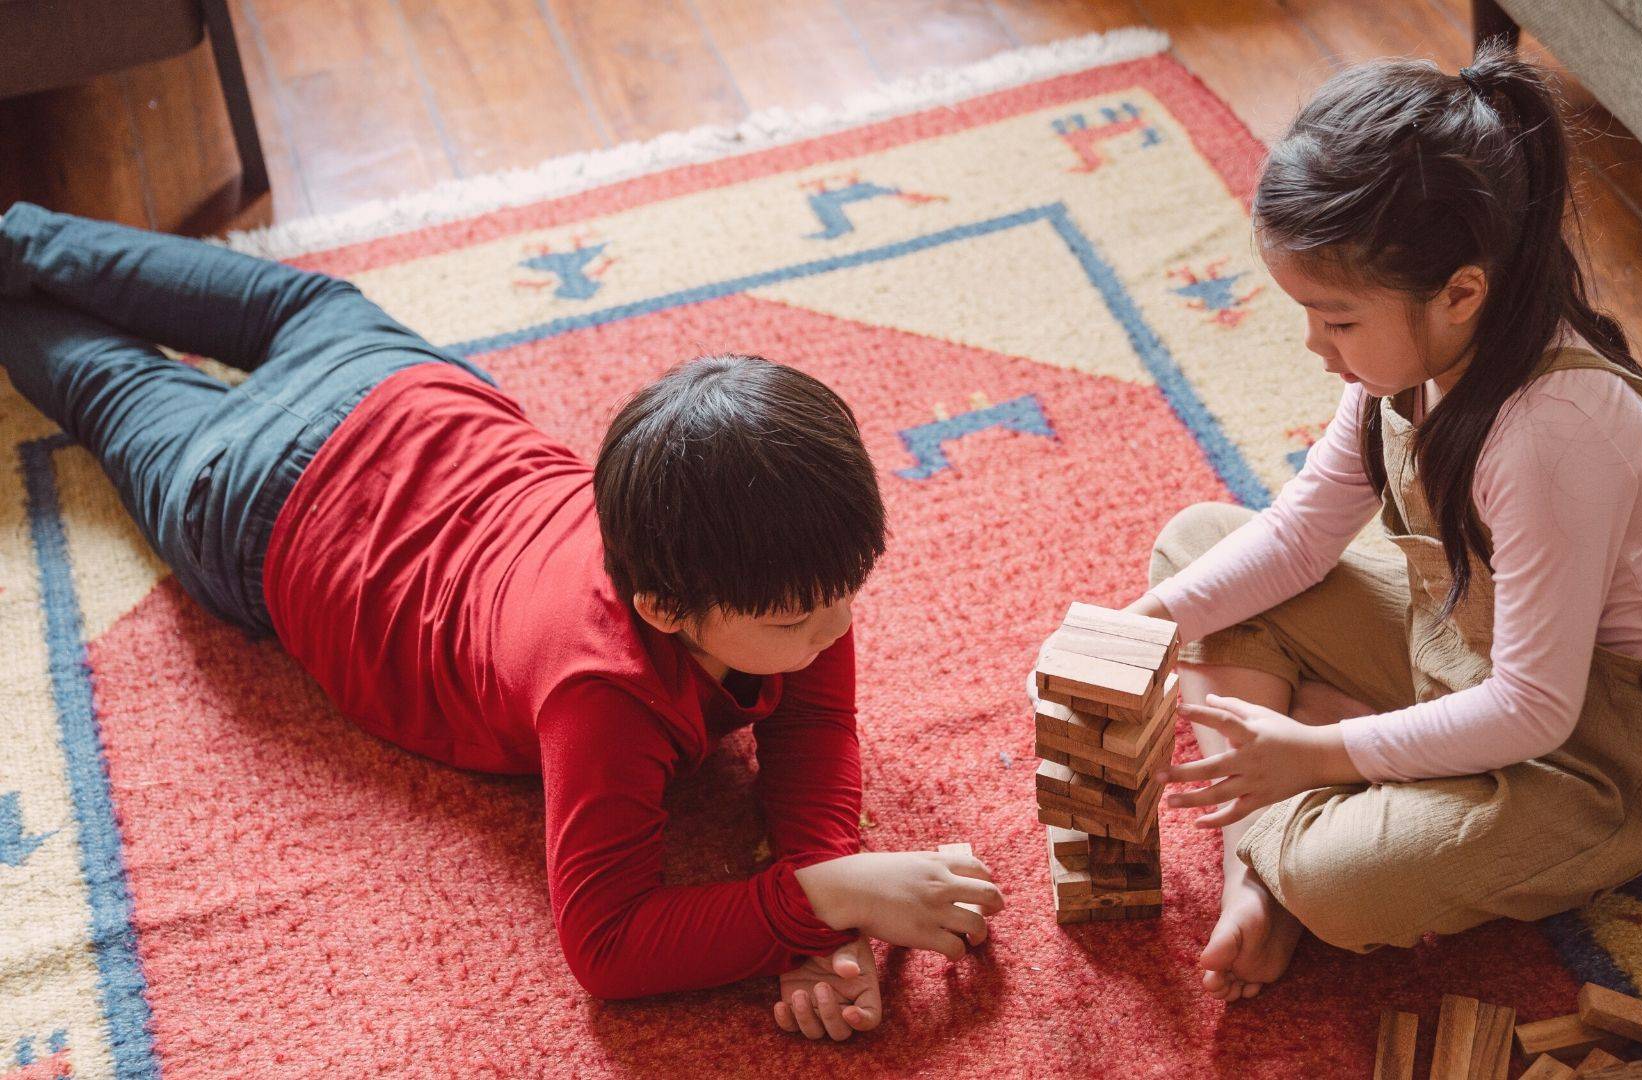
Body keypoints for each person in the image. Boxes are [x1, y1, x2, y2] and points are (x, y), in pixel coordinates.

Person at [0, 203, 1002, 1040]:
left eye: (847, 595)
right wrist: (828, 898)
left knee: (73, 260)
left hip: (388, 375)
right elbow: (606, 948)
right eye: (799, 620)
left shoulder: (788, 579)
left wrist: (824, 928)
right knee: (99, 374)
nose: (834, 632)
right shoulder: (602, 690)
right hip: (259, 502)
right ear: (662, 608)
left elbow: (814, 726)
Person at [1121, 43, 1642, 1001]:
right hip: (1469, 648)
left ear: (1462, 292)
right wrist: (1139, 631)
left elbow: (1535, 709)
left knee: (1339, 891)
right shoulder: (1410, 359)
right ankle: (1294, 818)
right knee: (1197, 548)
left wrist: (1318, 752)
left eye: (1336, 321)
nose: (1314, 346)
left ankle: (1279, 847)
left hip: (1599, 748)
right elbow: (1301, 536)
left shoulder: (1549, 435)